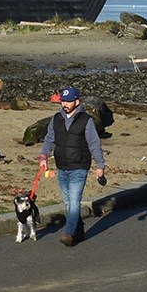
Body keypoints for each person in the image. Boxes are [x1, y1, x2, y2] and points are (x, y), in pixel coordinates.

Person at [39, 86, 106, 247]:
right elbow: (49, 140)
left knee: (74, 201)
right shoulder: (56, 119)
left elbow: (94, 144)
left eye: (69, 101)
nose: (65, 104)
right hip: (61, 166)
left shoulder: (86, 120)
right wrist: (43, 157)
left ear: (77, 101)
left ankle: (69, 233)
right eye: (63, 101)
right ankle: (79, 229)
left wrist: (100, 165)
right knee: (68, 202)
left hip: (79, 167)